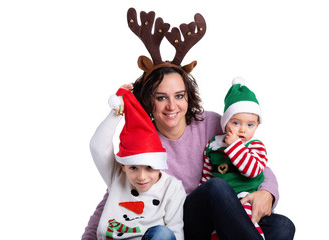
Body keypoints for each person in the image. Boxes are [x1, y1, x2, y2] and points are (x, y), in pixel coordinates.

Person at [83, 8, 295, 240]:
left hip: (222, 218)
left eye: (179, 96)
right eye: (161, 97)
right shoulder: (144, 140)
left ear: (188, 97)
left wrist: (268, 193)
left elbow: (259, 164)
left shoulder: (212, 123)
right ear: (148, 101)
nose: (171, 106)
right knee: (216, 187)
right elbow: (116, 191)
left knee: (282, 226)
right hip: (181, 224)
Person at [93, 87, 186, 240]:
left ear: (160, 165)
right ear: (123, 166)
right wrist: (117, 111)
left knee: (163, 233)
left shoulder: (172, 188)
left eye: (149, 168)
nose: (142, 177)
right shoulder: (117, 177)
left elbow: (175, 233)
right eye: (133, 168)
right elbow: (98, 146)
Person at [201, 77, 268, 239]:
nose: (242, 130)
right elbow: (207, 179)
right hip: (220, 202)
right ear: (225, 123)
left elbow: (251, 170)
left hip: (246, 198)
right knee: (215, 226)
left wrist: (235, 147)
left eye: (250, 125)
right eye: (236, 123)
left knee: (246, 221)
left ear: (257, 125)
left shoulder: (255, 146)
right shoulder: (214, 146)